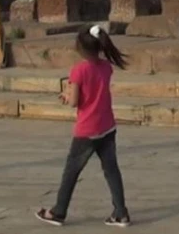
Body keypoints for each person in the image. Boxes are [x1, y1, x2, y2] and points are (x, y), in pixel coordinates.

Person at [36, 26, 131, 227]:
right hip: (107, 126)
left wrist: (67, 93)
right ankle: (121, 212)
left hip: (87, 129)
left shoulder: (78, 70)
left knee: (71, 171)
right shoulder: (106, 67)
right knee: (111, 170)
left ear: (80, 48)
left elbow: (74, 102)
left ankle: (58, 211)